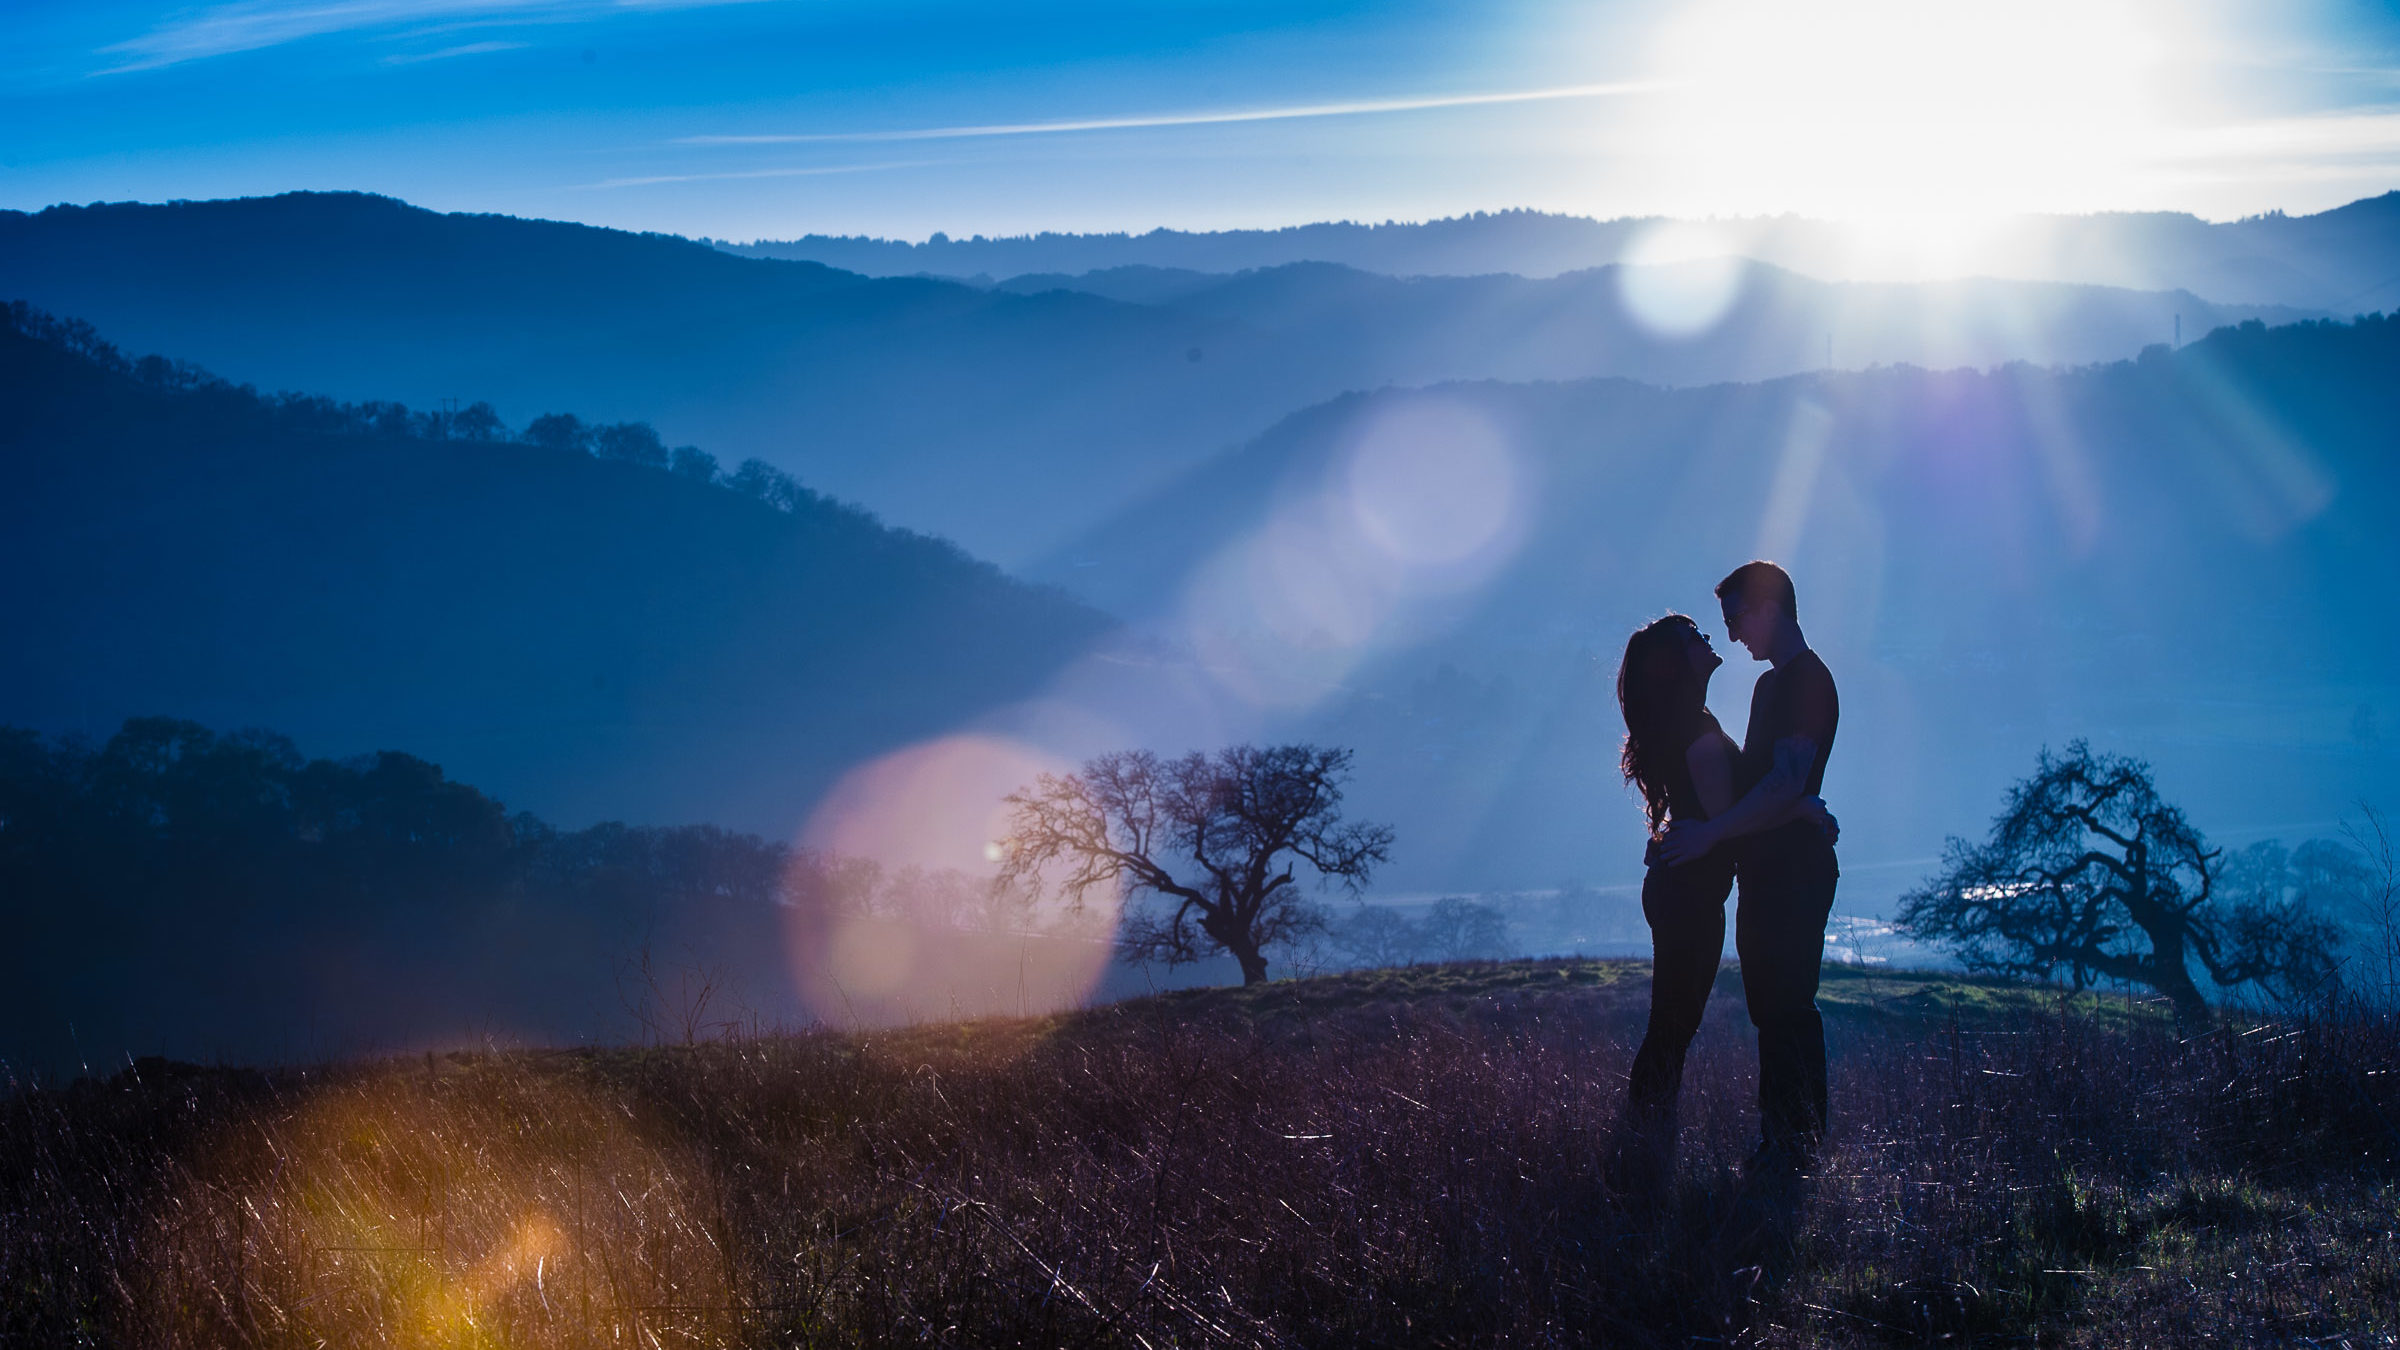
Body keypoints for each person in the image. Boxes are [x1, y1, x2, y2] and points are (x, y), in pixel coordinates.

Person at [1610, 612, 1832, 1188]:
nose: (1714, 639)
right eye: (1697, 638)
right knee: (1672, 1027)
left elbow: (1717, 816)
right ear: (1679, 663)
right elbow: (1732, 821)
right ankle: (1641, 1149)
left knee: (1671, 1026)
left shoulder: (1689, 725)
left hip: (1681, 891)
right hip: (1689, 896)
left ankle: (1643, 1146)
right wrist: (1802, 806)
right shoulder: (1702, 739)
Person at [1658, 560, 1840, 1157]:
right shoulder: (1770, 687)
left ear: (1768, 607)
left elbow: (1783, 783)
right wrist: (1794, 807)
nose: (1733, 635)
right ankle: (1786, 1143)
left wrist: (1713, 836)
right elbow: (1774, 789)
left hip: (1793, 872)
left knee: (1786, 1005)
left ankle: (1796, 1146)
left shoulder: (1808, 681)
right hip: (1768, 870)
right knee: (1772, 1005)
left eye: (1736, 618)